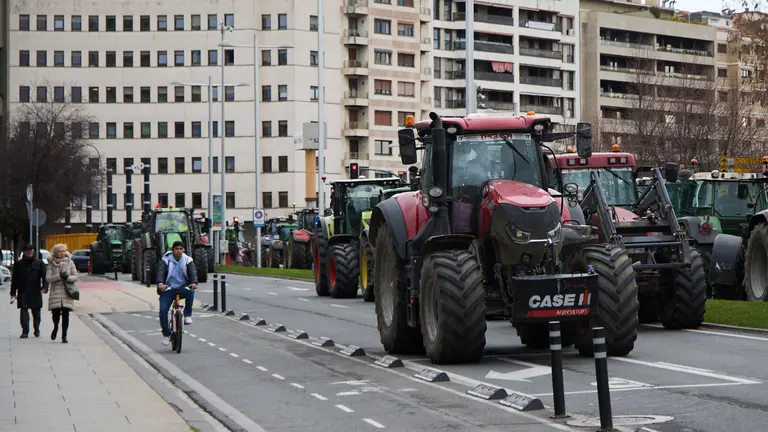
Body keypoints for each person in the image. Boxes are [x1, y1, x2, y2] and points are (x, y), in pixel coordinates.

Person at [157, 241, 198, 346]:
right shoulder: (166, 260)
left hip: (182, 288)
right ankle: (166, 334)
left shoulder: (188, 260)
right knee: (163, 311)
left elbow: (192, 272)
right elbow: (161, 272)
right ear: (172, 250)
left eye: (181, 249)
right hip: (168, 289)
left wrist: (193, 282)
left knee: (190, 291)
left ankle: (187, 315)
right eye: (176, 249)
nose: (179, 251)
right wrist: (160, 284)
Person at [10, 243, 47, 338]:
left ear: (33, 251)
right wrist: (13, 294)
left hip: (35, 291)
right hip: (23, 291)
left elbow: (44, 277)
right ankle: (25, 331)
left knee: (36, 313)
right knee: (23, 311)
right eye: (27, 250)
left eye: (31, 250)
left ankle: (36, 328)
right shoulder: (19, 264)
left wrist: (44, 287)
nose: (29, 252)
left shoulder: (39, 263)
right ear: (23, 252)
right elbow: (15, 280)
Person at [45, 243, 79, 343]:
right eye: (60, 251)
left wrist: (68, 278)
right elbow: (48, 279)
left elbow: (76, 276)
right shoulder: (51, 264)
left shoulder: (70, 262)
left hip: (66, 292)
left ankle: (64, 336)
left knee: (66, 314)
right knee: (55, 314)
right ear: (56, 253)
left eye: (64, 251)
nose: (62, 253)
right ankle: (55, 328)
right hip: (55, 292)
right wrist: (59, 276)